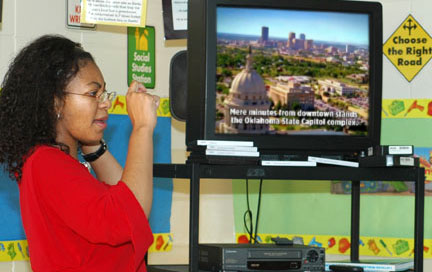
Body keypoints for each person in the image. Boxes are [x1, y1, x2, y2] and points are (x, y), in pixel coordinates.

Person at [0, 35, 160, 271]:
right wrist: (143, 128)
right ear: (55, 102)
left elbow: (130, 203)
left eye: (104, 94)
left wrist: (93, 148)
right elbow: (128, 215)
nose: (104, 103)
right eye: (93, 94)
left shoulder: (59, 162)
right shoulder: (46, 162)